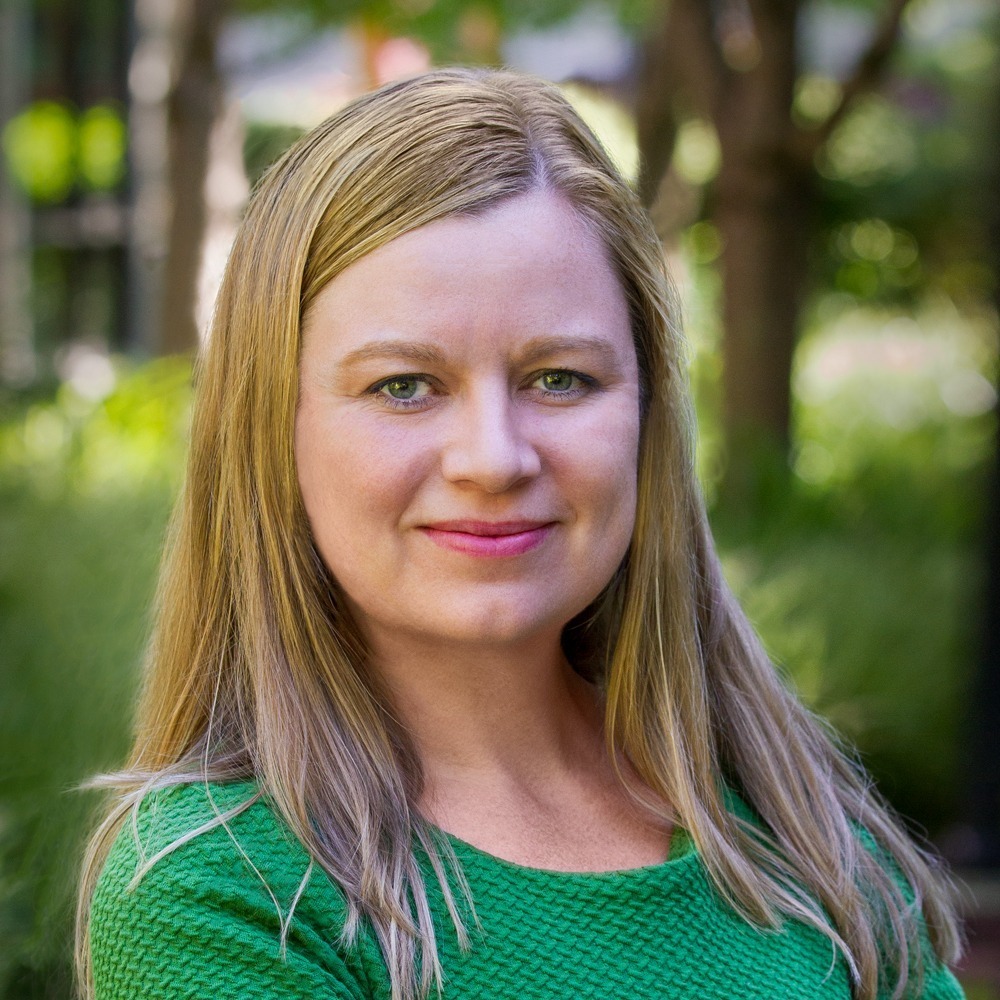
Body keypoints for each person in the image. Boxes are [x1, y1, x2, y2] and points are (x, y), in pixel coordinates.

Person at [77, 68, 965, 1000]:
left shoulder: (806, 836)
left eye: (560, 379)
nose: (494, 459)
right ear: (270, 432)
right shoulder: (222, 890)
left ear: (649, 417)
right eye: (403, 386)